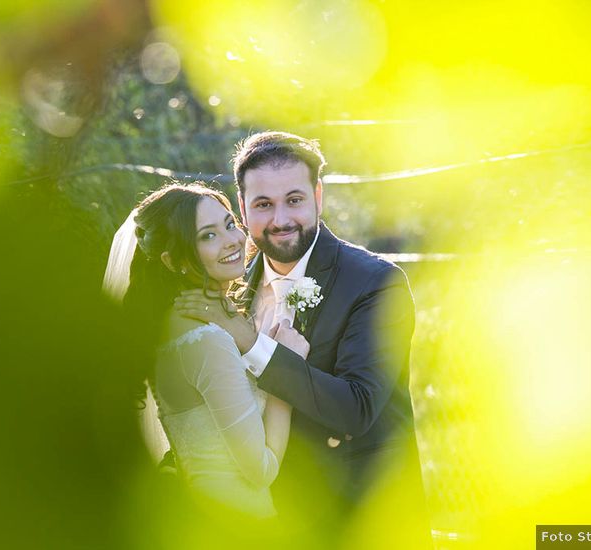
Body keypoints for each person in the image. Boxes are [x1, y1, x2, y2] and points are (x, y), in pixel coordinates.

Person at [174, 132, 431, 543]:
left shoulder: (376, 283)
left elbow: (355, 409)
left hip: (358, 523)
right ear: (243, 207)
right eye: (263, 204)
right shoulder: (229, 288)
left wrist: (251, 342)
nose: (280, 220)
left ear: (317, 197)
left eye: (294, 200)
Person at [102, 183, 296, 518]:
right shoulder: (206, 340)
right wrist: (287, 372)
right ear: (173, 260)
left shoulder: (173, 323)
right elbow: (261, 469)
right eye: (208, 236)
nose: (232, 240)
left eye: (229, 224)